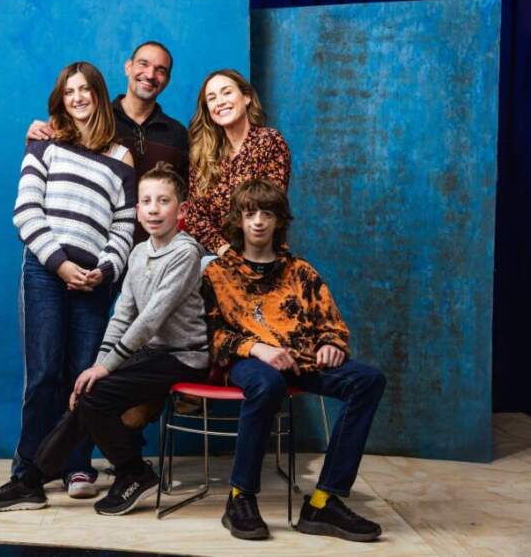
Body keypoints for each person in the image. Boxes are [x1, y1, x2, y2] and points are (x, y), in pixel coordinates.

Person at [0, 163, 209, 516]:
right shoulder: (138, 253)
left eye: (164, 201)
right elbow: (122, 316)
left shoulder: (185, 252)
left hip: (184, 356)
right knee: (88, 392)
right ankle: (32, 481)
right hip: (150, 355)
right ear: (137, 211)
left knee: (95, 394)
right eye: (146, 201)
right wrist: (98, 367)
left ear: (182, 209)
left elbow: (150, 320)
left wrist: (104, 368)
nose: (153, 209)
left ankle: (132, 472)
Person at [202, 179, 386, 542]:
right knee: (268, 383)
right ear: (238, 220)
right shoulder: (218, 273)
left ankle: (323, 502)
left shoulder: (300, 271)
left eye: (267, 213)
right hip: (249, 362)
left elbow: (331, 324)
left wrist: (331, 344)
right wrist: (257, 349)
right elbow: (210, 335)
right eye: (250, 213)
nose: (258, 221)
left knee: (369, 379)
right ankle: (240, 498)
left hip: (303, 361)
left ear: (279, 220)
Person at [10, 61, 136, 499]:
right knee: (44, 371)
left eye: (85, 90)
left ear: (100, 95)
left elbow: (124, 228)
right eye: (69, 92)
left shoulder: (121, 157)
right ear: (61, 100)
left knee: (84, 376)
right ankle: (27, 468)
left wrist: (104, 270)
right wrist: (60, 264)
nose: (78, 97)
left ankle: (76, 465)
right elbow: (26, 212)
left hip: (93, 281)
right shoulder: (43, 144)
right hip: (46, 272)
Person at [27, 41, 189, 244]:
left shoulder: (178, 135)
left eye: (160, 70)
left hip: (159, 254)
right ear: (128, 66)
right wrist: (41, 132)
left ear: (167, 80)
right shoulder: (95, 122)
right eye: (143, 64)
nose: (149, 75)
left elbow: (185, 201)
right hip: (101, 252)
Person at [184, 69, 291, 255]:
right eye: (212, 98)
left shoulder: (269, 141)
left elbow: (270, 206)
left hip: (260, 251)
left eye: (227, 92)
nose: (220, 102)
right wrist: (224, 250)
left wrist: (241, 259)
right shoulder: (203, 153)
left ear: (246, 97)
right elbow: (195, 216)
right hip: (214, 253)